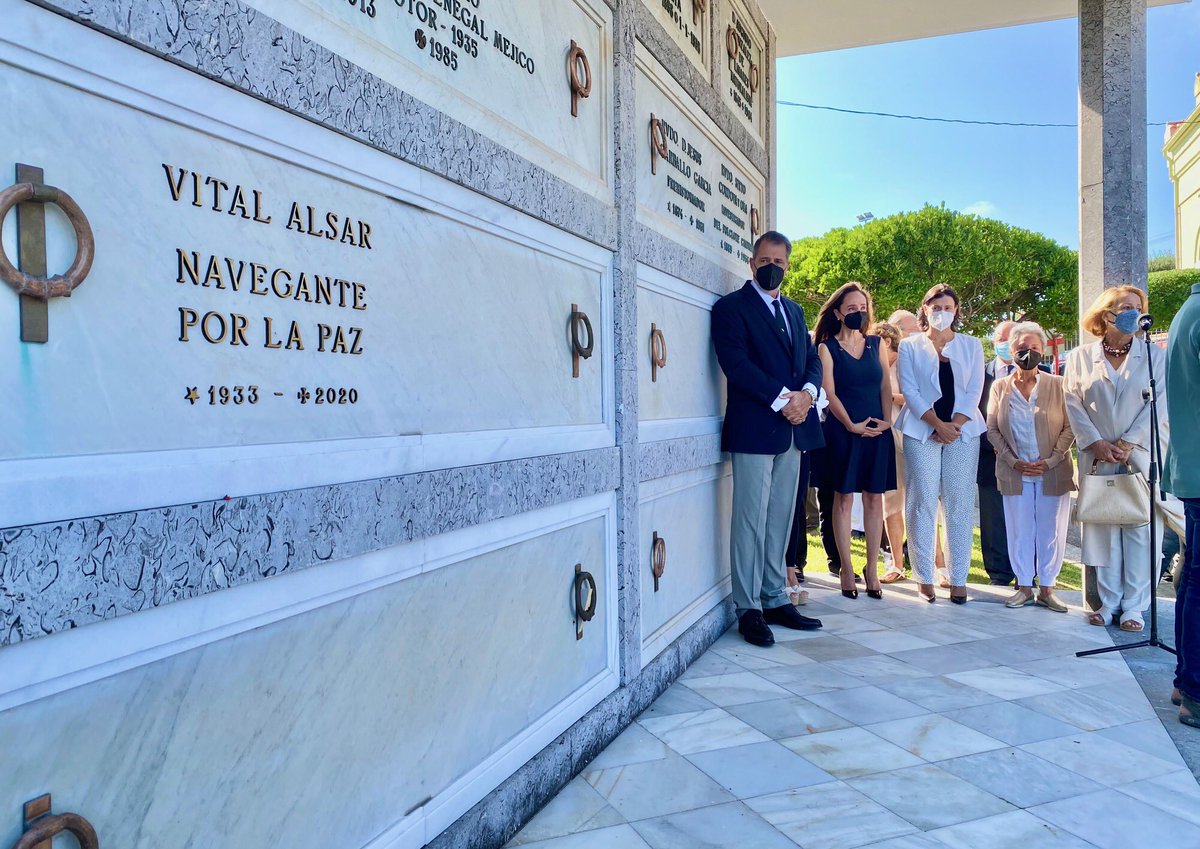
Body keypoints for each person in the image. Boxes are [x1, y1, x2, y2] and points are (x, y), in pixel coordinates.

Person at [711, 231, 824, 646]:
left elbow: (811, 360)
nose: (771, 267)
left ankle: (775, 597)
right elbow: (736, 363)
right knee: (750, 520)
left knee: (780, 520)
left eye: (778, 262)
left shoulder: (794, 310)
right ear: (752, 263)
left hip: (794, 429)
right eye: (764, 261)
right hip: (756, 428)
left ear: (788, 266)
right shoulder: (731, 308)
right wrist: (782, 400)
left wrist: (807, 396)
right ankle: (749, 607)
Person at [1064, 285, 1168, 631]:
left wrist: (1128, 442)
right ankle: (1108, 602)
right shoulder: (1080, 357)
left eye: (1138, 307)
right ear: (1106, 313)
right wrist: (1095, 442)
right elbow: (1073, 402)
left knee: (1140, 528)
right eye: (1125, 307)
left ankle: (1135, 607)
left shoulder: (1154, 356)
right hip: (1097, 455)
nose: (1133, 313)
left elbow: (1160, 403)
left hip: (1138, 454)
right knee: (1103, 526)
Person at [896, 284, 985, 604]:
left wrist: (954, 426)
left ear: (956, 311)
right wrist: (936, 424)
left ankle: (958, 576)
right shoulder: (909, 346)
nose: (941, 313)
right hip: (921, 430)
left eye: (947, 308)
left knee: (959, 503)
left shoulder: (972, 345)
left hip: (963, 432)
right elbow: (909, 389)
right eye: (935, 308)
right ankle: (924, 576)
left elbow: (975, 389)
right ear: (925, 309)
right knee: (921, 501)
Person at [985, 322, 1075, 612]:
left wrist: (1051, 460)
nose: (1028, 353)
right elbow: (992, 429)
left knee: (1050, 531)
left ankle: (1047, 588)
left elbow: (1070, 427)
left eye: (1034, 348)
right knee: (1019, 530)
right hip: (1015, 471)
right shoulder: (1000, 387)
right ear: (1011, 351)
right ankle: (1023, 586)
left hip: (1052, 471)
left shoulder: (1058, 384)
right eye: (1022, 348)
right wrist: (1014, 461)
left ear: (1043, 350)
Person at [815, 284, 896, 599]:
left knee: (875, 499)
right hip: (843, 431)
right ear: (838, 312)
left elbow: (885, 387)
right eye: (851, 308)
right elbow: (829, 392)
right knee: (844, 498)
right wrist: (851, 425)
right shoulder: (827, 348)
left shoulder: (877, 344)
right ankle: (846, 569)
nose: (858, 313)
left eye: (862, 307)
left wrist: (886, 421)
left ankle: (872, 569)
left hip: (877, 431)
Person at [1163, 278, 1200, 728]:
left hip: (1192, 468)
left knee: (1192, 577)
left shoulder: (1188, 311)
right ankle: (1195, 690)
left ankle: (1186, 681)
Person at [978, 320, 1018, 586]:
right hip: (989, 456)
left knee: (1024, 519)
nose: (1005, 343)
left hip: (1025, 458)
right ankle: (999, 574)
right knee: (993, 519)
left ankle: (1026, 574)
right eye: (1000, 338)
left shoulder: (1042, 373)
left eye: (1010, 338)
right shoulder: (980, 374)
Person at [871, 320, 908, 583]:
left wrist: (890, 396)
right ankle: (896, 564)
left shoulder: (908, 363)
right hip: (886, 440)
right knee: (890, 503)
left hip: (913, 439)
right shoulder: (873, 367)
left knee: (924, 504)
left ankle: (938, 565)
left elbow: (921, 397)